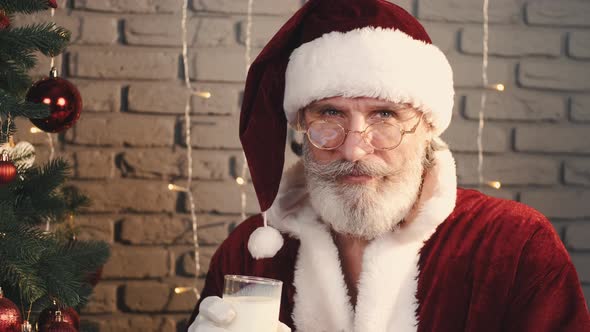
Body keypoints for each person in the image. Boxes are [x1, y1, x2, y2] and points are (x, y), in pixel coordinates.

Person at [187, 0, 590, 331]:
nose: (354, 150)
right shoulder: (250, 251)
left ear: (427, 126)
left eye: (384, 115)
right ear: (300, 124)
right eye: (330, 113)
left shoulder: (515, 246)